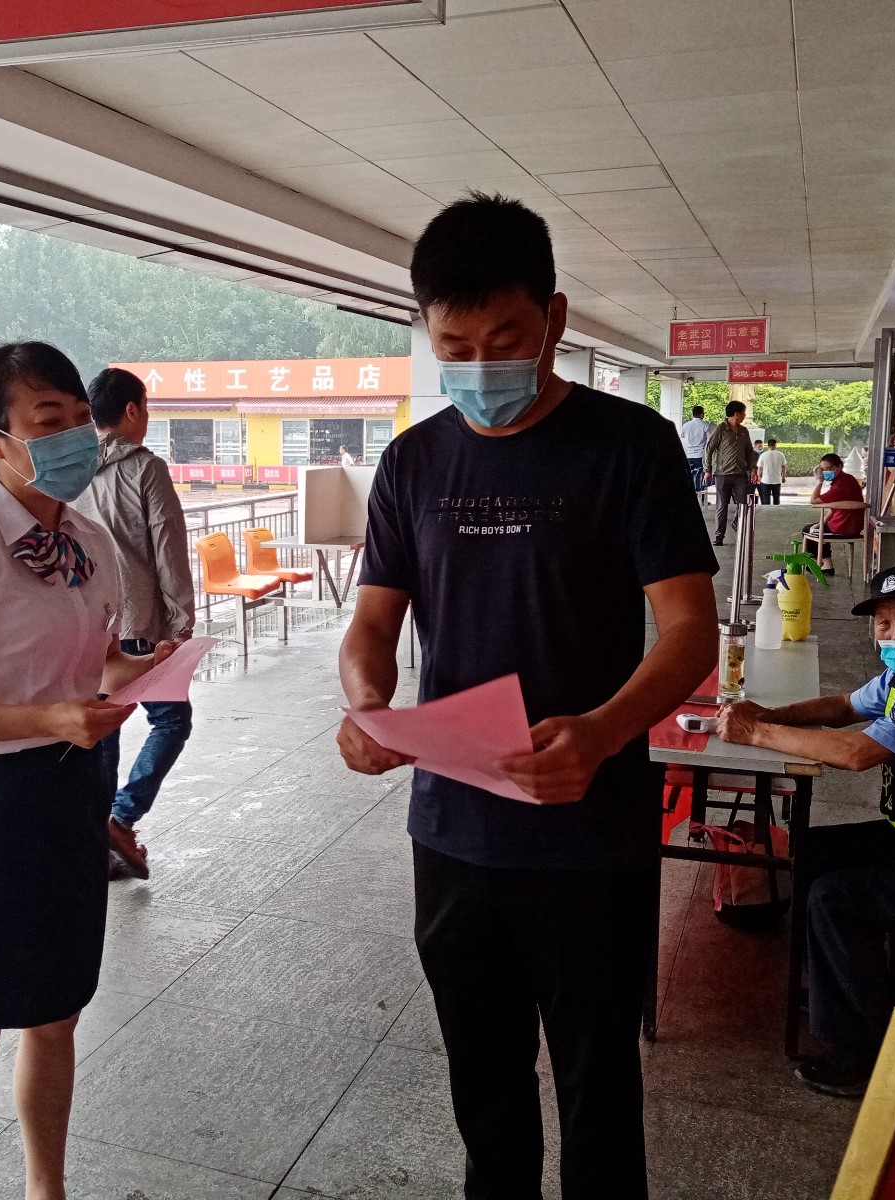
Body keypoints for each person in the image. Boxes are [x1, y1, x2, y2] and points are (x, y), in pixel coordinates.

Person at [336, 194, 719, 1199]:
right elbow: (372, 624)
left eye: (504, 339)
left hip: (590, 834)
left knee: (599, 1090)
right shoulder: (412, 461)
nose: (479, 365)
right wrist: (367, 706)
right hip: (453, 833)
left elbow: (690, 630)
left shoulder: (630, 446)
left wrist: (600, 731)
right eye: (453, 346)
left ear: (553, 319)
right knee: (483, 1085)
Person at [0, 342, 172, 1200]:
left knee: (56, 1016)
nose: (75, 438)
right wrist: (47, 718)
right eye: (48, 421)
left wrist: (142, 668)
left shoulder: (90, 542)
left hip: (68, 793)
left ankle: (47, 1189)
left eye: (81, 418)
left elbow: (92, 667)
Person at [714, 566, 895, 1098]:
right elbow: (844, 706)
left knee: (837, 898)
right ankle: (835, 985)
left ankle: (858, 1053)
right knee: (814, 851)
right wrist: (770, 715)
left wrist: (759, 731)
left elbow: (857, 753)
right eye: (883, 623)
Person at [73, 367, 196, 881]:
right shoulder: (146, 468)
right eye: (145, 407)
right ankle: (120, 819)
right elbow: (168, 550)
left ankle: (95, 843)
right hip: (141, 627)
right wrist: (182, 624)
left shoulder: (74, 472)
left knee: (104, 731)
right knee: (172, 721)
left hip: (91, 628)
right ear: (131, 410)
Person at [703, 400, 756, 545]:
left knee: (743, 504)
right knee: (722, 506)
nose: (745, 415)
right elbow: (709, 449)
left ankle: (738, 526)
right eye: (743, 413)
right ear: (737, 413)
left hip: (740, 474)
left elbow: (749, 451)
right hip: (722, 474)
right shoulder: (721, 429)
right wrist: (708, 470)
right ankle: (719, 536)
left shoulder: (744, 431)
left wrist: (753, 469)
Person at [803, 452, 865, 568]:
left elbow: (814, 500)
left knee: (808, 530)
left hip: (841, 526)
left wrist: (820, 482)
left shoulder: (839, 486)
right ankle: (825, 563)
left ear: (839, 466)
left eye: (828, 468)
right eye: (823, 469)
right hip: (855, 526)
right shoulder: (849, 479)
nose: (825, 472)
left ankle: (824, 564)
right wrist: (822, 522)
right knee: (818, 527)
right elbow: (836, 508)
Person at [678, 403, 710, 494]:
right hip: (700, 455)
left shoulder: (686, 425)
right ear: (702, 414)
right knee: (700, 477)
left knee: (689, 476)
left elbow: (682, 436)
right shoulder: (705, 425)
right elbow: (709, 439)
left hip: (689, 455)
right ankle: (700, 496)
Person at [757, 437, 787, 505]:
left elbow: (760, 468)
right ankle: (776, 511)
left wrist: (758, 477)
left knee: (766, 500)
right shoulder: (781, 455)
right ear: (775, 445)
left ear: (768, 445)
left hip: (765, 480)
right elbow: (784, 467)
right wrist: (783, 477)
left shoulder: (763, 455)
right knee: (776, 500)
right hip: (777, 480)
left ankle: (766, 511)